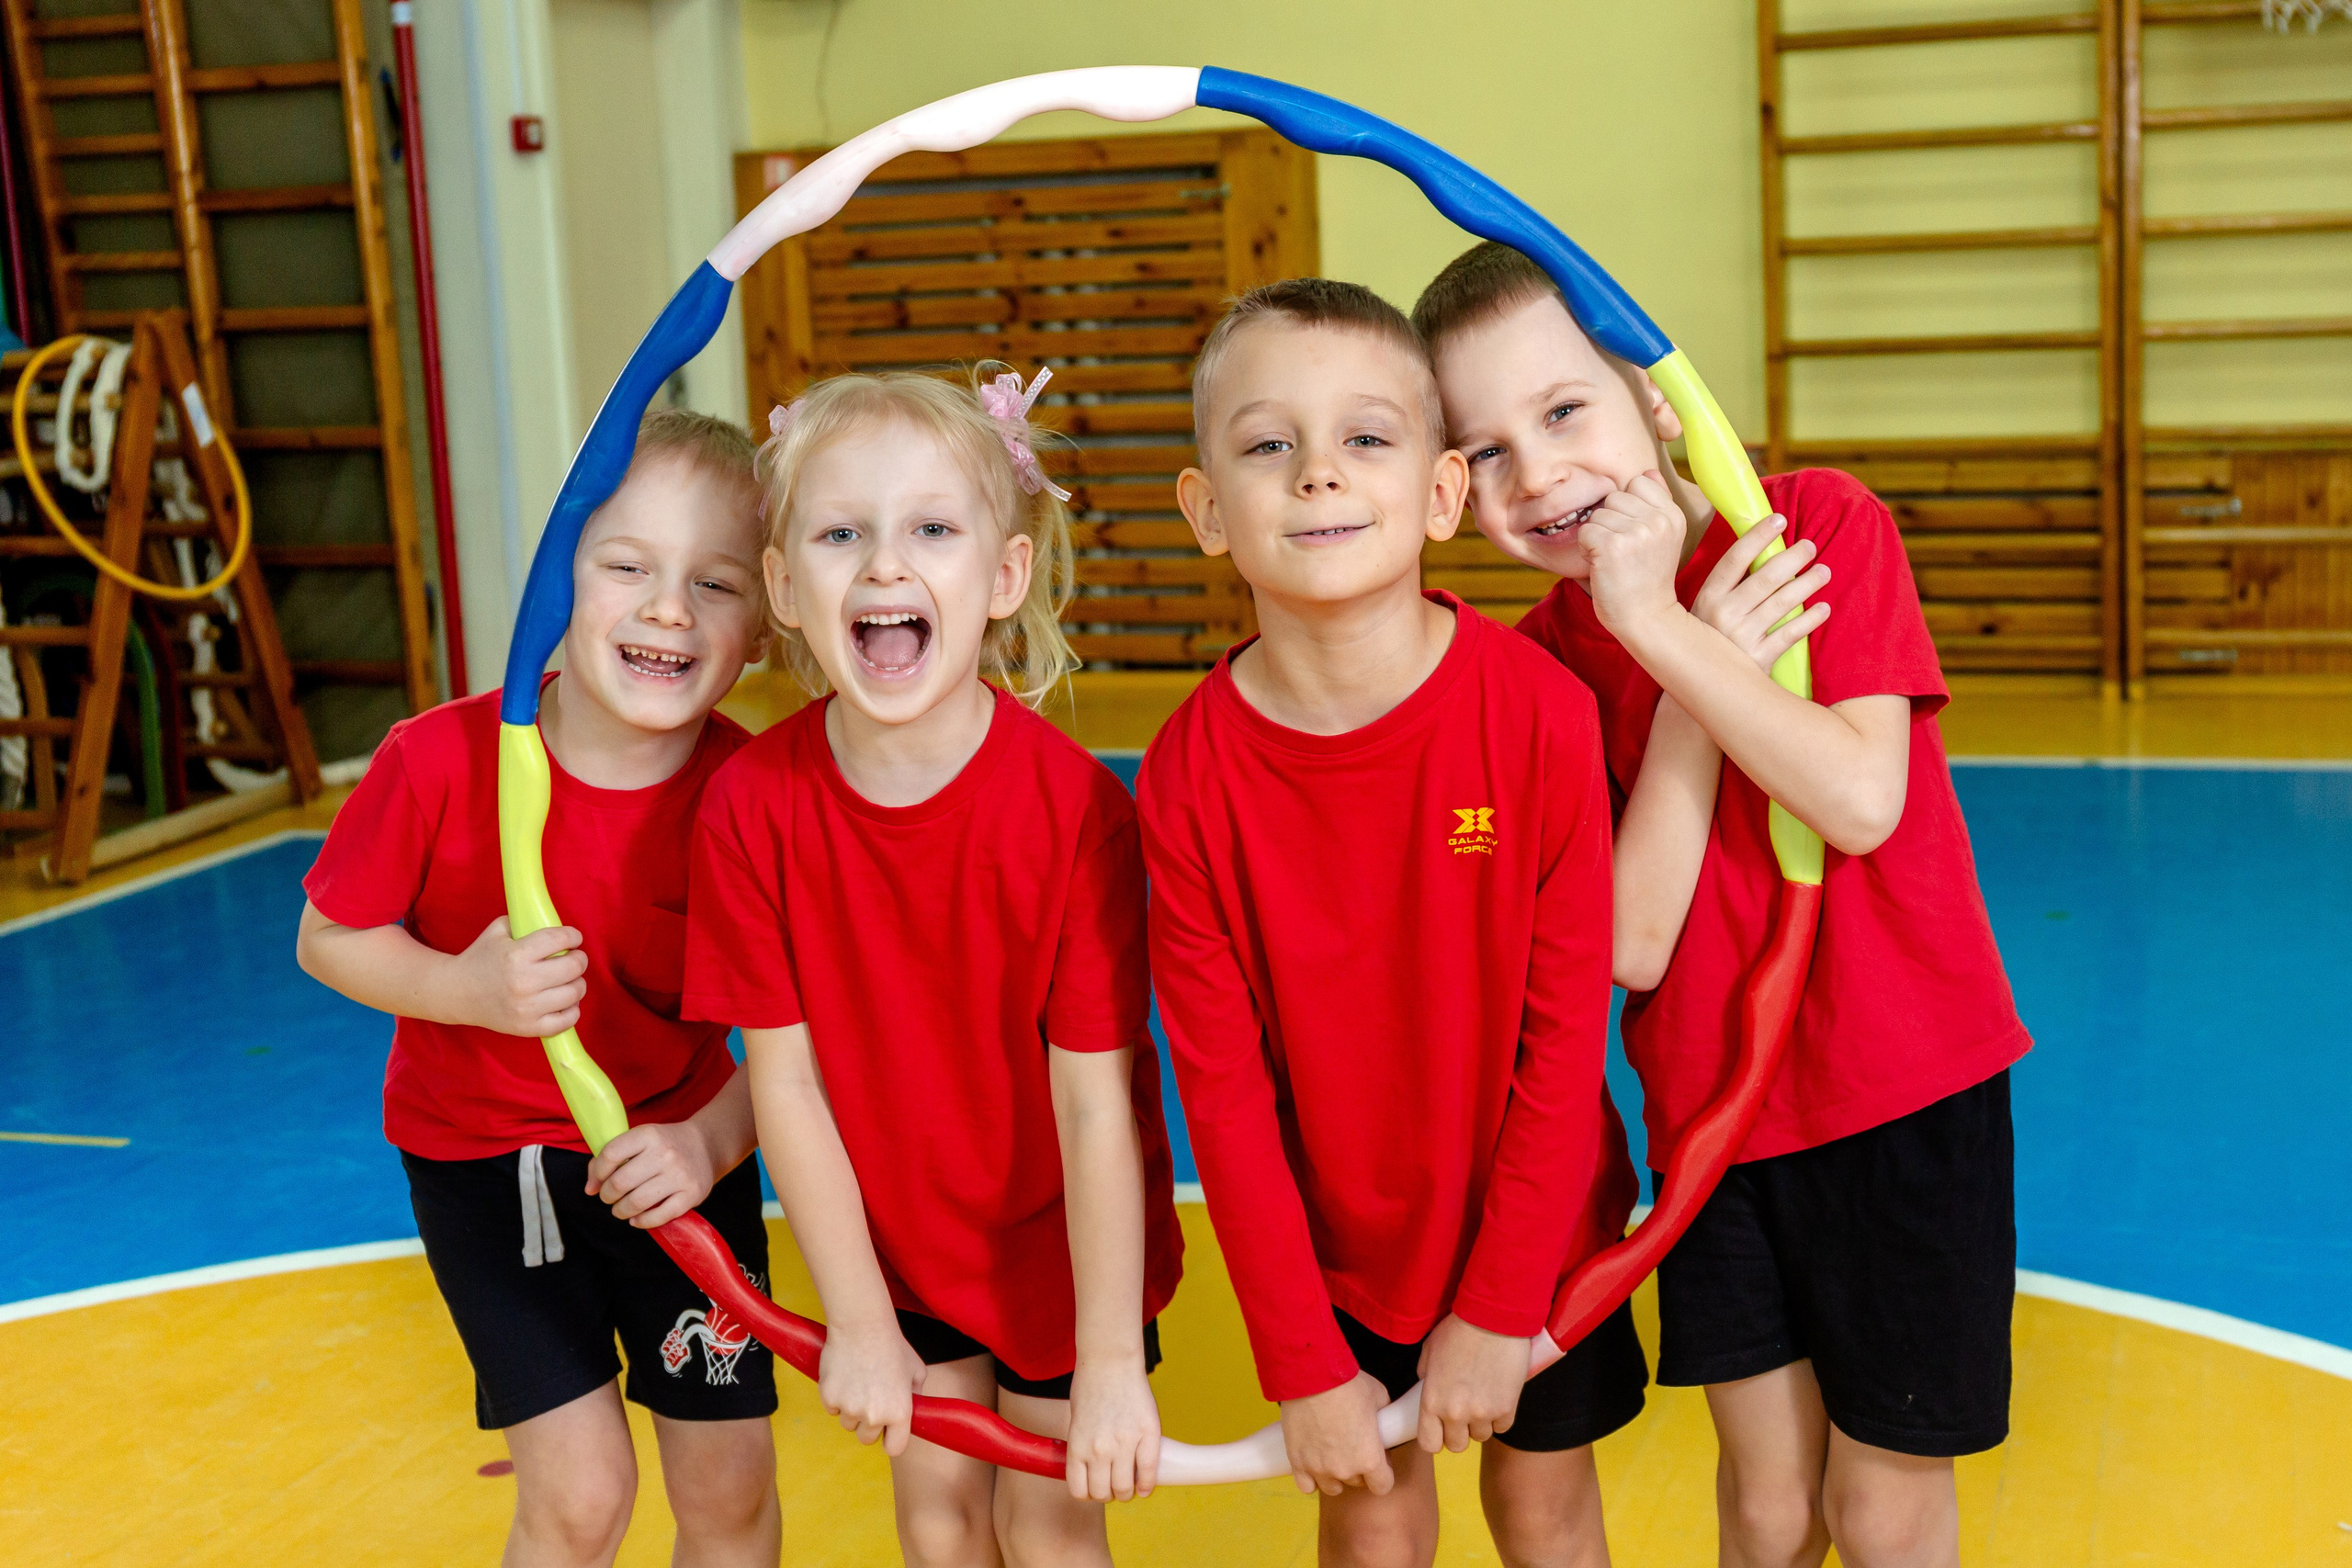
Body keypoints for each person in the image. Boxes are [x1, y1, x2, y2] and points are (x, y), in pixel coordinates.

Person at [1416, 241, 2030, 1568]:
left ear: (1653, 403)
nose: (1543, 476)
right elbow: (1632, 942)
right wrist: (1663, 634)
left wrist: (1667, 626)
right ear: (1457, 493)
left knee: (1878, 1506)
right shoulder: (1534, 679)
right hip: (1717, 1124)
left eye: (1565, 412)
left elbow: (1860, 800)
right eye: (1492, 453)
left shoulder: (1816, 525)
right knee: (1764, 1507)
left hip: (1907, 1093)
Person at [1139, 278, 1644, 1568]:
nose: (1316, 475)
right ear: (1205, 510)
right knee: (1371, 1531)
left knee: (1545, 1513)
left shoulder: (1541, 717)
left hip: (1536, 1229)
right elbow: (1226, 1095)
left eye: (1365, 437)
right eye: (1267, 444)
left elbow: (1561, 1042)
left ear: (1439, 494)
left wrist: (1498, 1299)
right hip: (1337, 1261)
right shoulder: (1189, 774)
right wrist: (1302, 1356)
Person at [682, 367, 1185, 1568]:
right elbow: (786, 1087)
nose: (885, 565)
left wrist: (1110, 1355)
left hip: (1065, 1246)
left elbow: (1094, 1100)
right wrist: (855, 1316)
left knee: (1053, 1523)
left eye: (932, 530)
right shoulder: (750, 806)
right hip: (897, 1242)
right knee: (940, 1517)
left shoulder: (1071, 812)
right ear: (788, 589)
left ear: (1002, 577)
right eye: (842, 532)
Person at [295, 410, 781, 1568]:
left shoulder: (756, 797)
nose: (669, 609)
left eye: (714, 584)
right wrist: (463, 988)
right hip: (486, 1166)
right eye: (628, 567)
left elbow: (802, 1042)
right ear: (559, 576)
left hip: (678, 1159)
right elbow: (328, 936)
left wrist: (709, 1144)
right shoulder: (434, 759)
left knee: (730, 1495)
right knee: (581, 1496)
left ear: (763, 625)